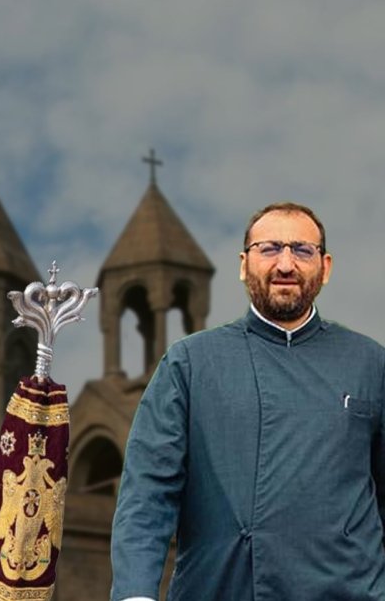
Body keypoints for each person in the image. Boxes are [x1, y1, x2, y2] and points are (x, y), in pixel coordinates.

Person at [110, 202, 385, 600]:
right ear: (244, 264)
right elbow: (148, 493)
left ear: (325, 267)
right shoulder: (190, 362)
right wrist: (135, 594)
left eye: (302, 250)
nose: (286, 264)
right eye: (269, 248)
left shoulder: (370, 362)